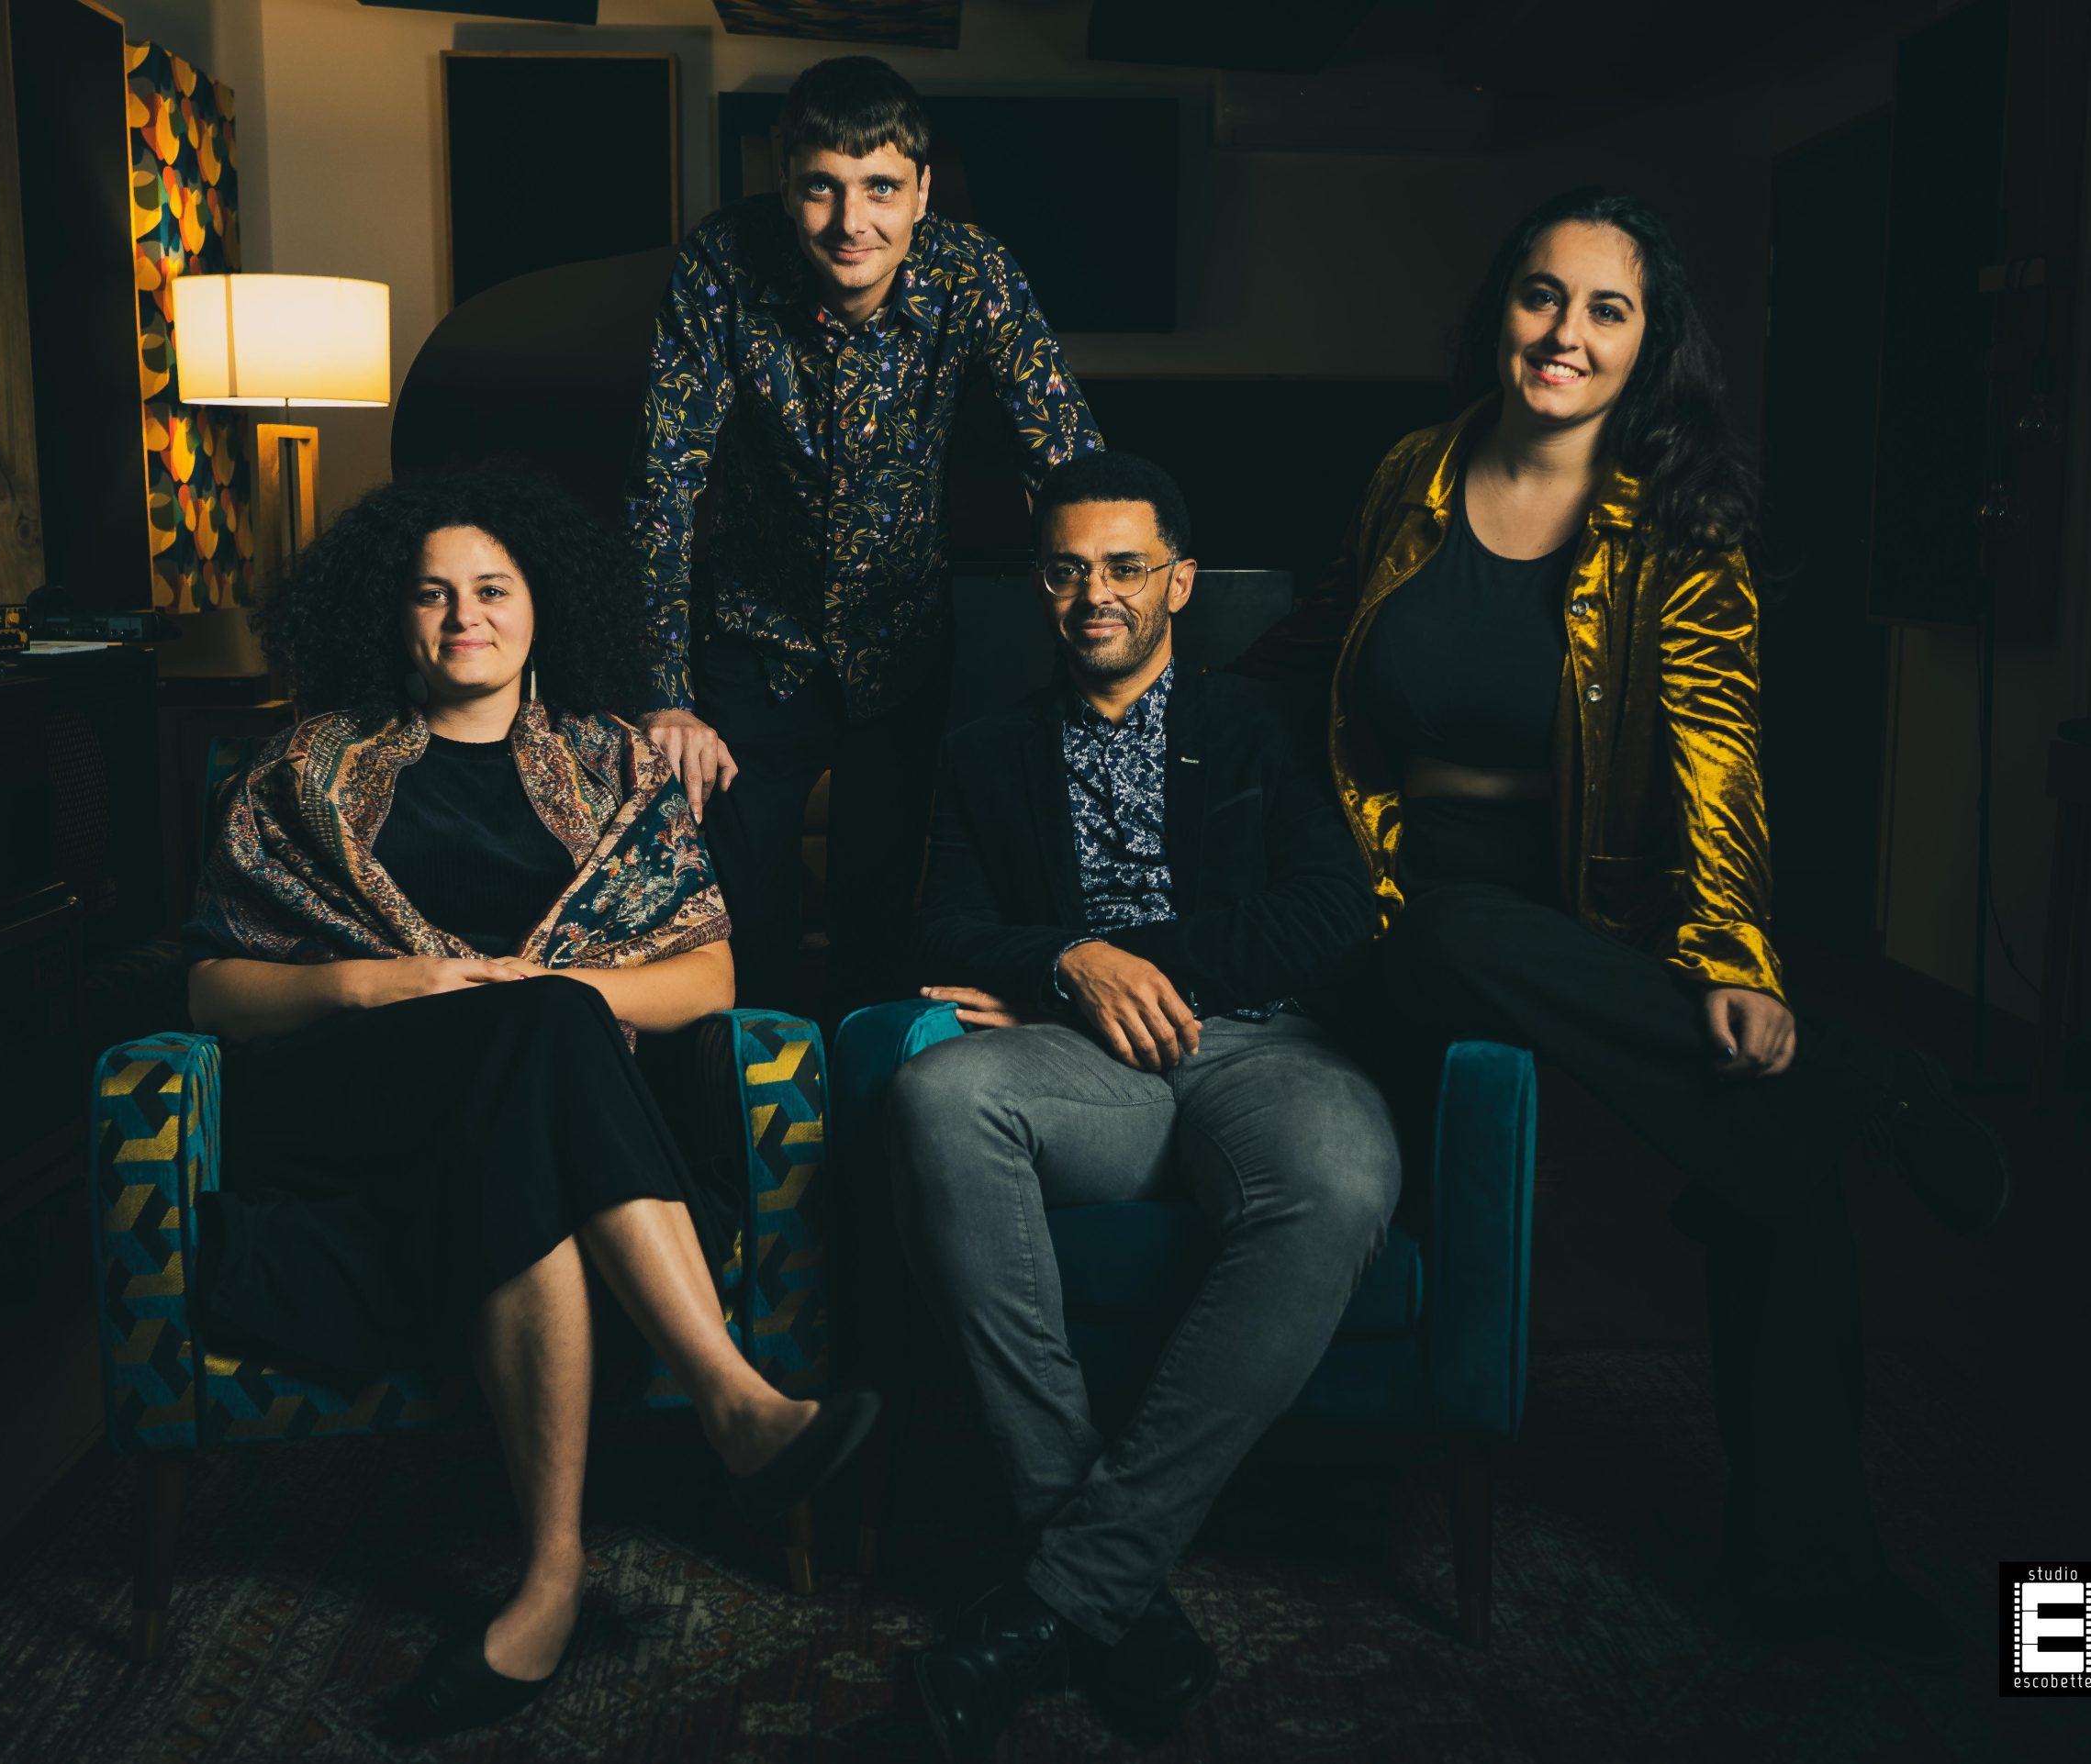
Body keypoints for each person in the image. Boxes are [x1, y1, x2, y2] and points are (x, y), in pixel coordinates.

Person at [1321, 187, 2013, 1667]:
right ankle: (1873, 1081)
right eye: (1541, 295)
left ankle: (1807, 1566)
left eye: (1606, 308)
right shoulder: (1407, 476)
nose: (1564, 333)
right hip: (1405, 903)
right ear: (1500, 307)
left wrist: (1731, 961)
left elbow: (1716, 757)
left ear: (1650, 344)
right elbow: (1331, 675)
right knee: (1442, 937)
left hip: (1594, 921)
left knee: (1774, 1140)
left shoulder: (1673, 520)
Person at [182, 470, 878, 1736]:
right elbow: (214, 989)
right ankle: (732, 1399)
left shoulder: (614, 761)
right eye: (432, 594)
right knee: (542, 1026)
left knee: (543, 1036)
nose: (466, 618)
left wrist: (548, 992)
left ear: (541, 604)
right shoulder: (307, 765)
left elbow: (710, 974)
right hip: (364, 1103)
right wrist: (386, 981)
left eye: (492, 589)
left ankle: (549, 1578)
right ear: (391, 614)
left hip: (546, 1112)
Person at [883, 452, 1396, 1759]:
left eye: (1123, 566)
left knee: (1342, 1178)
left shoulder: (1267, 725)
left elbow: (1334, 915)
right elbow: (940, 928)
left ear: (1180, 580)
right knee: (937, 1094)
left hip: (1263, 1048)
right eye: (1066, 570)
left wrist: (1133, 959)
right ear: (1038, 585)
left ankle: (1069, 1586)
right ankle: (1104, 1579)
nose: (1094, 593)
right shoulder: (984, 751)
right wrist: (1069, 963)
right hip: (1084, 1065)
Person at [618, 54, 1101, 1019]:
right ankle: (754, 1113)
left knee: (881, 928)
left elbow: (1065, 455)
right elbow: (664, 484)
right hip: (751, 647)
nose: (851, 222)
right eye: (822, 188)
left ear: (920, 190)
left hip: (902, 646)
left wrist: (1108, 620)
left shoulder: (974, 271)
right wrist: (664, 693)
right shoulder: (720, 262)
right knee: (739, 932)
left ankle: (867, 1108)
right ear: (783, 183)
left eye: (880, 188)